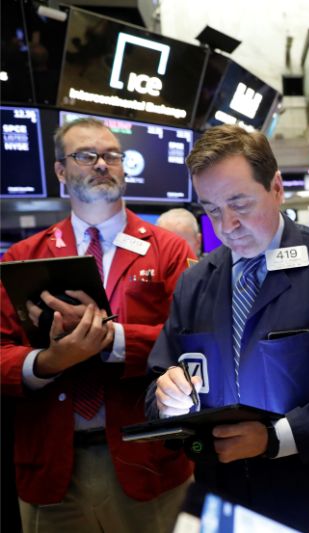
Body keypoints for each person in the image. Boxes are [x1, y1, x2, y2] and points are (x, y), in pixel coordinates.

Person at [146, 125, 309, 531]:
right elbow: (159, 376)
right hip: (223, 500)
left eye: (239, 203)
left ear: (276, 187)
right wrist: (166, 398)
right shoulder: (196, 281)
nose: (226, 225)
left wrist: (275, 437)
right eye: (211, 209)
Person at [0, 117, 195, 533]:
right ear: (60, 171)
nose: (101, 164)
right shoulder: (22, 258)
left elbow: (191, 343)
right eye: (86, 155)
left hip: (147, 462)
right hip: (52, 465)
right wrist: (48, 361)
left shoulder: (169, 250)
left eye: (111, 155)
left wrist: (111, 340)